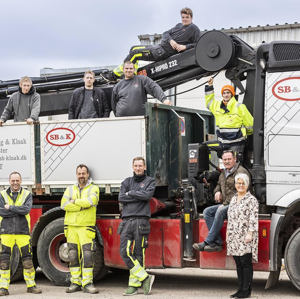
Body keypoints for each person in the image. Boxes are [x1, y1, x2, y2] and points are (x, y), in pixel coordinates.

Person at [106, 7, 200, 81]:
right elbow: (165, 34)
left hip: (161, 52)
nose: (185, 19)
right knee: (133, 48)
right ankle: (133, 74)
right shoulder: (179, 25)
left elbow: (197, 44)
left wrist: (185, 47)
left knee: (134, 54)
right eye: (183, 17)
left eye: (187, 17)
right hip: (157, 46)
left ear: (191, 18)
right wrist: (171, 40)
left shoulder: (193, 28)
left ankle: (114, 75)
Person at [193, 150, 251, 252]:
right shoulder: (224, 172)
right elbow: (219, 184)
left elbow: (240, 192)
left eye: (229, 159)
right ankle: (217, 242)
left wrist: (224, 204)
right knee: (207, 212)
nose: (227, 161)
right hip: (228, 204)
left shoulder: (241, 172)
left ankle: (207, 242)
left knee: (220, 211)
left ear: (234, 159)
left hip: (240, 205)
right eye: (225, 159)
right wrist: (217, 191)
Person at [118, 157, 156, 296]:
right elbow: (121, 198)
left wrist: (131, 193)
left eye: (140, 165)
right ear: (133, 167)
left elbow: (147, 196)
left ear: (145, 167)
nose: (138, 168)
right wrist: (137, 195)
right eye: (136, 166)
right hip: (127, 221)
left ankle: (133, 286)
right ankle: (145, 277)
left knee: (139, 254)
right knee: (124, 251)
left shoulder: (150, 181)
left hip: (141, 222)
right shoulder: (127, 181)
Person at [0, 172, 42, 295]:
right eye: (13, 180)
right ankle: (3, 288)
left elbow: (26, 210)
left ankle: (31, 285)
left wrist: (10, 208)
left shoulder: (27, 194)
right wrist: (17, 210)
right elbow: (2, 212)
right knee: (4, 261)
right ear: (9, 181)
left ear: (21, 181)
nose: (15, 183)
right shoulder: (2, 195)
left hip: (23, 232)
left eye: (17, 180)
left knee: (28, 261)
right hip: (6, 232)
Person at [61, 164, 100, 294]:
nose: (81, 176)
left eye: (83, 173)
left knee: (88, 255)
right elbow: (63, 205)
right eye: (79, 173)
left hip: (86, 226)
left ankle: (88, 283)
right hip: (71, 227)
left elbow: (90, 201)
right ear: (76, 174)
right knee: (72, 255)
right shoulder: (70, 189)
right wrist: (81, 206)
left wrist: (74, 202)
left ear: (88, 174)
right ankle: (75, 282)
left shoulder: (94, 188)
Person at [204, 77, 253, 158]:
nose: (226, 95)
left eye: (228, 93)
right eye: (224, 93)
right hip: (222, 143)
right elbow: (209, 101)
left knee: (234, 164)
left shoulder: (240, 107)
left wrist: (242, 135)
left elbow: (250, 125)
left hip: (236, 143)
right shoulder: (217, 106)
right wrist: (210, 85)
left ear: (232, 94)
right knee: (202, 147)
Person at [226, 173, 258, 298]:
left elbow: (253, 219)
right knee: (238, 263)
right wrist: (228, 231)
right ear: (235, 185)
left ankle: (246, 290)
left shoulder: (251, 200)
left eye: (243, 183)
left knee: (245, 262)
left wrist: (250, 233)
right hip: (234, 235)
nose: (240, 185)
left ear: (247, 185)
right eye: (238, 183)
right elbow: (230, 216)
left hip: (245, 235)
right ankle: (240, 289)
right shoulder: (233, 198)